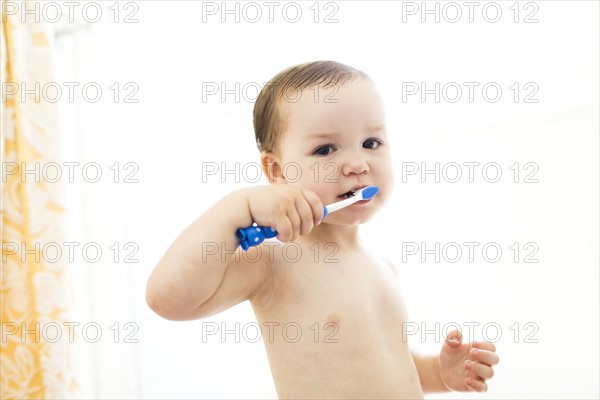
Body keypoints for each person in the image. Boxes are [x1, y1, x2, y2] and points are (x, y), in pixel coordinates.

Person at [146, 60, 499, 398]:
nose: (358, 164)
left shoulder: (384, 268)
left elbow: (393, 369)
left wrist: (440, 373)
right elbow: (167, 298)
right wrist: (238, 207)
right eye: (325, 149)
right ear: (277, 172)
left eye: (371, 143)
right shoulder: (274, 261)